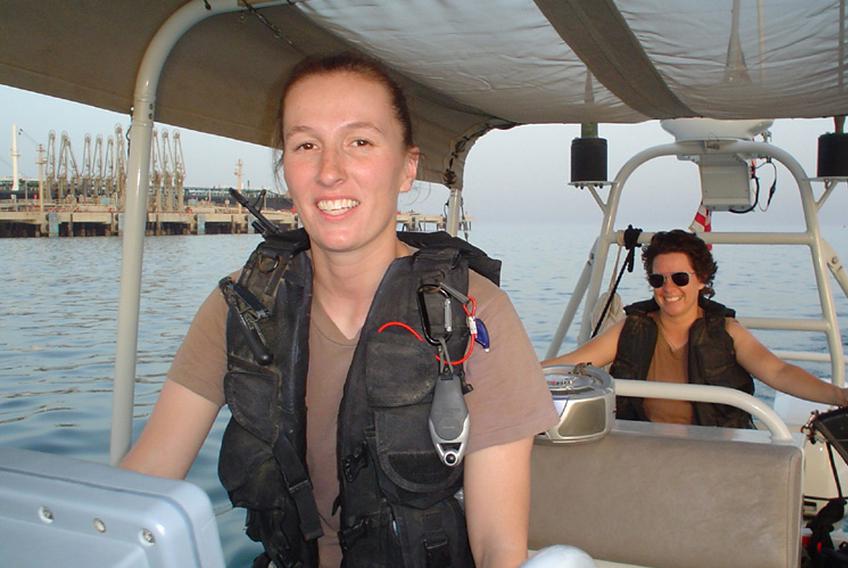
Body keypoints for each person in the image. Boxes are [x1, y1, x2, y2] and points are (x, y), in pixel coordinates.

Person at [121, 53, 558, 568]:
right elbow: (141, 487)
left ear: (406, 167)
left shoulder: (473, 312)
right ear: (286, 168)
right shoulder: (242, 307)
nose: (330, 172)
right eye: (306, 145)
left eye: (360, 142)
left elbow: (497, 547)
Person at [543, 229, 848, 428]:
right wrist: (512, 372)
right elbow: (574, 364)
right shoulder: (631, 329)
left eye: (680, 278)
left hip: (717, 448)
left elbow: (777, 371)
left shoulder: (726, 332)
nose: (668, 288)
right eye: (658, 279)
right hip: (641, 445)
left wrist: (841, 395)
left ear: (702, 280)